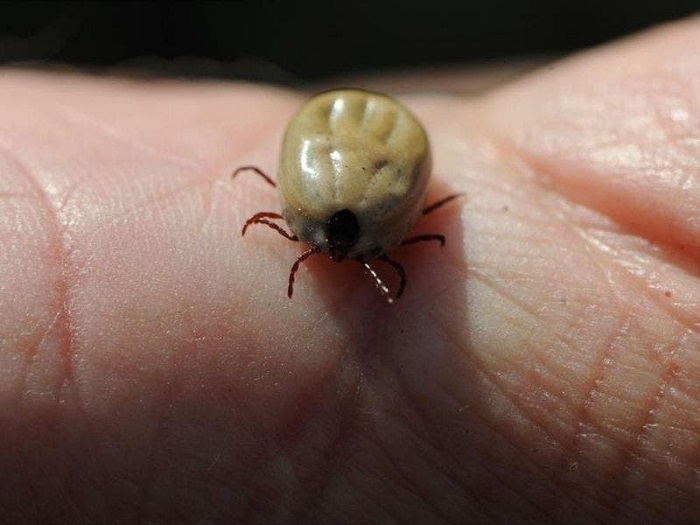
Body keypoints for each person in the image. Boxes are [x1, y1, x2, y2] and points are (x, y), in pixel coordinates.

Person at [0, 15, 698, 523]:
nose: (331, 259)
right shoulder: (374, 239)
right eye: (327, 251)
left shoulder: (327, 226)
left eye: (332, 252)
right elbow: (413, 227)